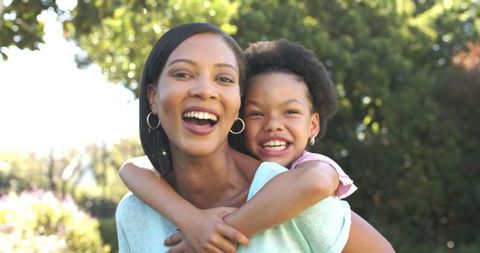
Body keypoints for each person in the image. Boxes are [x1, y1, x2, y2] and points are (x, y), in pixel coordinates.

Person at [116, 23, 394, 253]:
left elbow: (318, 181)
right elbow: (132, 169)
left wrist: (219, 231)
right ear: (153, 97)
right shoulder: (134, 213)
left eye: (224, 79)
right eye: (182, 73)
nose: (204, 90)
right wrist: (192, 221)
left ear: (236, 103)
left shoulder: (289, 194)